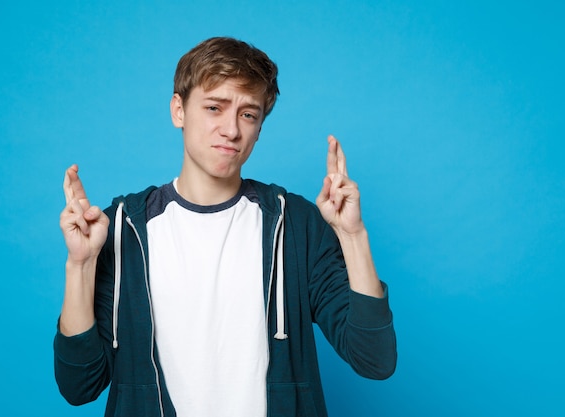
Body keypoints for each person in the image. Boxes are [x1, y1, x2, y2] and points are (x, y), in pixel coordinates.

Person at [54, 36, 397, 417]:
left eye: (248, 114)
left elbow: (375, 361)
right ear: (178, 110)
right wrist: (81, 265)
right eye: (215, 108)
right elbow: (79, 387)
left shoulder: (295, 223)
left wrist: (352, 236)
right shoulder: (124, 226)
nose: (231, 130)